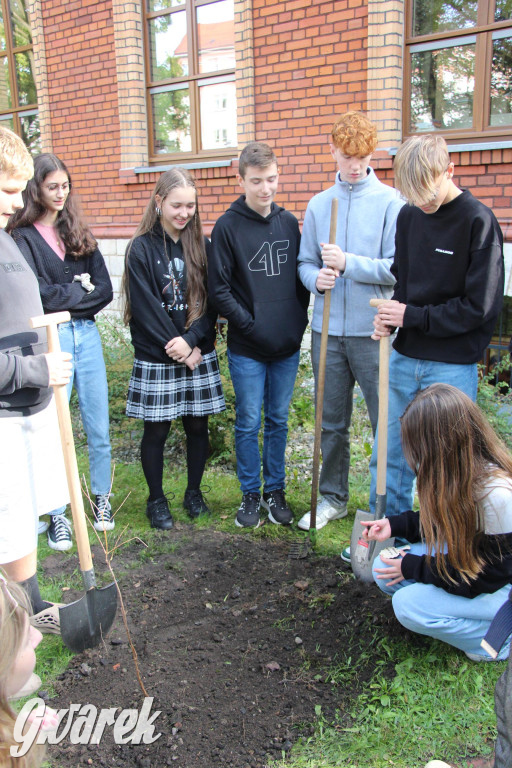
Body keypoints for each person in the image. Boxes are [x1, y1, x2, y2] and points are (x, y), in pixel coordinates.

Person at [369, 134, 504, 523]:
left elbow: (478, 308)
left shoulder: (478, 222)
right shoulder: (409, 216)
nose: (422, 204)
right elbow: (403, 286)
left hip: (451, 367)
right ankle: (389, 533)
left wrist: (411, 316)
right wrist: (389, 316)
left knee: (447, 462)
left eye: (426, 194)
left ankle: (444, 540)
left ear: (449, 170)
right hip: (404, 357)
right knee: (390, 454)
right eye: (412, 197)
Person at [297, 111, 404, 531]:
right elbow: (305, 263)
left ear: (372, 152)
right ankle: (332, 499)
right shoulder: (321, 205)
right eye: (346, 157)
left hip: (373, 333)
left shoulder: (391, 203)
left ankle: (386, 504)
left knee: (386, 422)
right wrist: (317, 280)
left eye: (361, 156)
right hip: (327, 333)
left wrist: (349, 263)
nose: (355, 166)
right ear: (333, 152)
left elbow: (397, 268)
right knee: (331, 423)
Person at [8, 154, 114, 550]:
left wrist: (72, 297)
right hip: (52, 339)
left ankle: (100, 499)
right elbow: (37, 296)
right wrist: (79, 291)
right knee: (54, 428)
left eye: (65, 186)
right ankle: (57, 514)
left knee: (97, 423)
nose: (60, 193)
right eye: (52, 186)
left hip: (88, 337)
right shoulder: (22, 238)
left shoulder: (77, 232)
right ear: (36, 188)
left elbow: (104, 290)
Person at [362, 384, 512, 663]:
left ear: (440, 445)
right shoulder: (457, 473)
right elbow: (442, 523)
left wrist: (416, 568)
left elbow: (485, 580)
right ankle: (443, 607)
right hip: (470, 565)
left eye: (417, 445)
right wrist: (395, 525)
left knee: (407, 606)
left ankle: (496, 640)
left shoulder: (498, 496)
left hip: (500, 591)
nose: (414, 455)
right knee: (384, 566)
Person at [209, 142, 309, 528]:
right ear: (241, 179)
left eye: (271, 179)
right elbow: (219, 290)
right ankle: (251, 494)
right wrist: (249, 325)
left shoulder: (288, 223)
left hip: (286, 346)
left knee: (279, 420)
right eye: (256, 181)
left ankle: (275, 491)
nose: (265, 188)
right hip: (248, 348)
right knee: (249, 420)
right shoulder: (228, 227)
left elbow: (301, 279)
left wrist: (296, 322)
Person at [123, 168, 225, 529]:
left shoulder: (202, 246)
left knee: (198, 427)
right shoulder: (141, 248)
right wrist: (181, 348)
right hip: (159, 355)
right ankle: (156, 500)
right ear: (159, 202)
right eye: (177, 205)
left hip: (197, 352)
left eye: (190, 206)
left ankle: (193, 493)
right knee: (157, 431)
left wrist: (194, 340)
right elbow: (146, 309)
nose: (184, 213)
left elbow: (212, 303)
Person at [0, 127, 71, 634]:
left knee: (22, 516)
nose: (16, 201)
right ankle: (14, 622)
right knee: (7, 519)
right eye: (6, 189)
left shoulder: (6, 239)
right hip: (3, 410)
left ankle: (29, 605)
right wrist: (33, 369)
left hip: (27, 405)